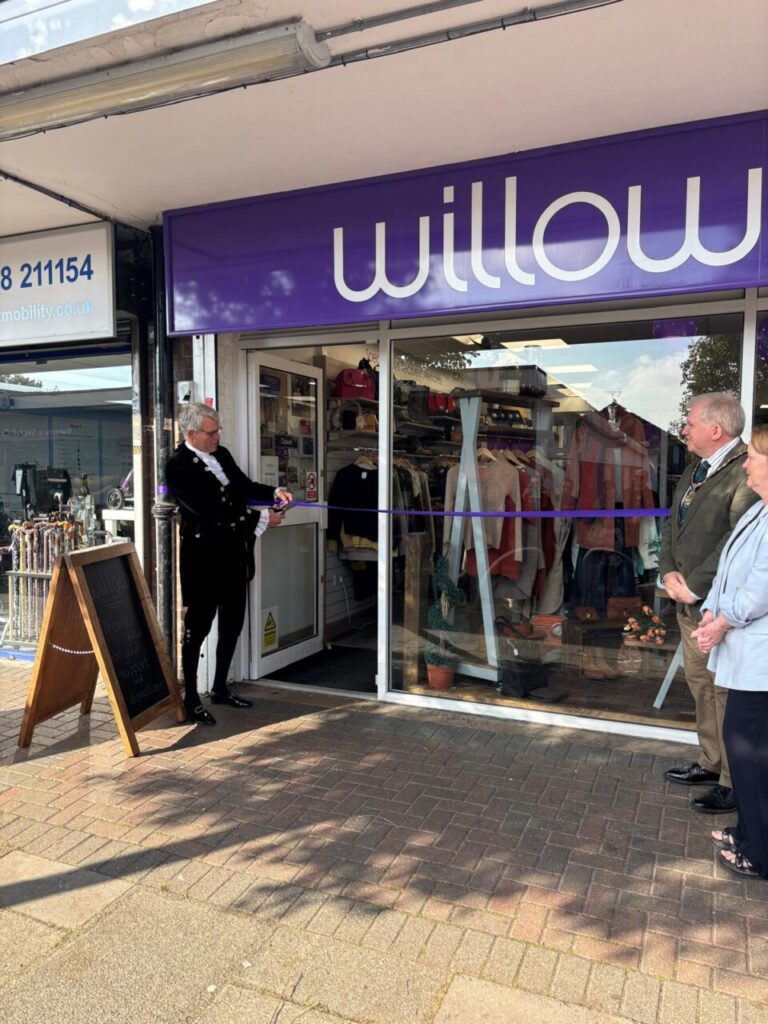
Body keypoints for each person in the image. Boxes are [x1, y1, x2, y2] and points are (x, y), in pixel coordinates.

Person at [658, 393, 759, 813]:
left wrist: (695, 585)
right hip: (686, 600)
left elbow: (736, 540)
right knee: (700, 686)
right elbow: (671, 527)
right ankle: (711, 761)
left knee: (724, 694)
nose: (683, 430)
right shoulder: (695, 468)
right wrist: (667, 573)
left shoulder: (747, 472)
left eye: (689, 423)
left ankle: (735, 781)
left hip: (718, 604)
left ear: (715, 429)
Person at [165, 402, 292, 725]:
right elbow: (212, 511)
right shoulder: (178, 466)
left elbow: (242, 487)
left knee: (233, 621)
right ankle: (191, 698)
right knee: (199, 627)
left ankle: (220, 687)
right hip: (204, 561)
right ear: (191, 433)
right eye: (211, 432)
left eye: (218, 430)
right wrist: (262, 518)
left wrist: (274, 491)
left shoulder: (221, 455)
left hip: (235, 555)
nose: (217, 437)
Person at [692, 423, 768, 879]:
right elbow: (729, 573)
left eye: (754, 456)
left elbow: (760, 589)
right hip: (746, 653)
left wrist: (721, 621)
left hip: (761, 663)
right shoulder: (758, 510)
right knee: (746, 753)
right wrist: (711, 610)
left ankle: (759, 854)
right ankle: (747, 831)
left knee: (750, 754)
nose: (746, 463)